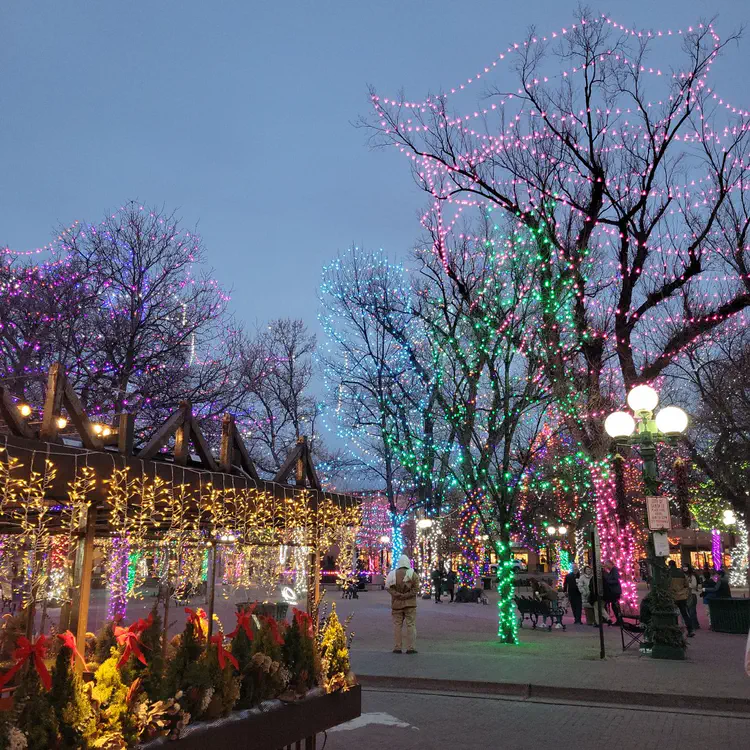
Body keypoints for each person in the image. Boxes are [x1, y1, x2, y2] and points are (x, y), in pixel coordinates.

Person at [386, 555, 420, 654]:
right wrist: (407, 595)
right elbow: (416, 589)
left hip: (396, 604)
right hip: (410, 604)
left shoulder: (392, 574)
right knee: (411, 625)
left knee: (397, 625)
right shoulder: (413, 574)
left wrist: (398, 595)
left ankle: (397, 647)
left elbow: (388, 587)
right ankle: (411, 647)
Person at [668, 560, 695, 637]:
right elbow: (686, 584)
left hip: (673, 596)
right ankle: (690, 630)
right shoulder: (681, 574)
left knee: (674, 614)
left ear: (669, 565)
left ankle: (675, 630)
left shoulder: (668, 574)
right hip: (682, 596)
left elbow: (667, 585)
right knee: (685, 614)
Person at [602, 560, 623, 625]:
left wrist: (608, 582)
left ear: (610, 564)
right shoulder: (612, 570)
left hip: (615, 591)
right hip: (613, 591)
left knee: (615, 606)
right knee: (614, 605)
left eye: (606, 565)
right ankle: (619, 620)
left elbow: (616, 580)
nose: (606, 566)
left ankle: (619, 620)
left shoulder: (614, 569)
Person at [684, 564, 701, 631]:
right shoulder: (685, 576)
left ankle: (694, 625)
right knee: (689, 610)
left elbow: (694, 585)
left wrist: (687, 584)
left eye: (685, 567)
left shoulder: (692, 576)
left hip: (692, 594)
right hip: (686, 594)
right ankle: (693, 624)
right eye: (683, 567)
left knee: (692, 610)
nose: (684, 568)